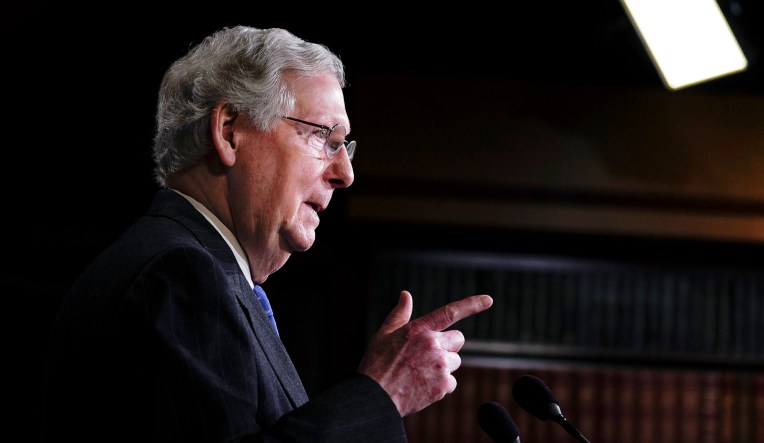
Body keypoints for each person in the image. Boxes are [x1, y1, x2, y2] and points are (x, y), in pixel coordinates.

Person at [39, 25, 493, 442]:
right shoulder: (180, 274)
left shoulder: (196, 268)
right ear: (230, 132)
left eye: (345, 146)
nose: (346, 173)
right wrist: (382, 395)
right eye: (324, 138)